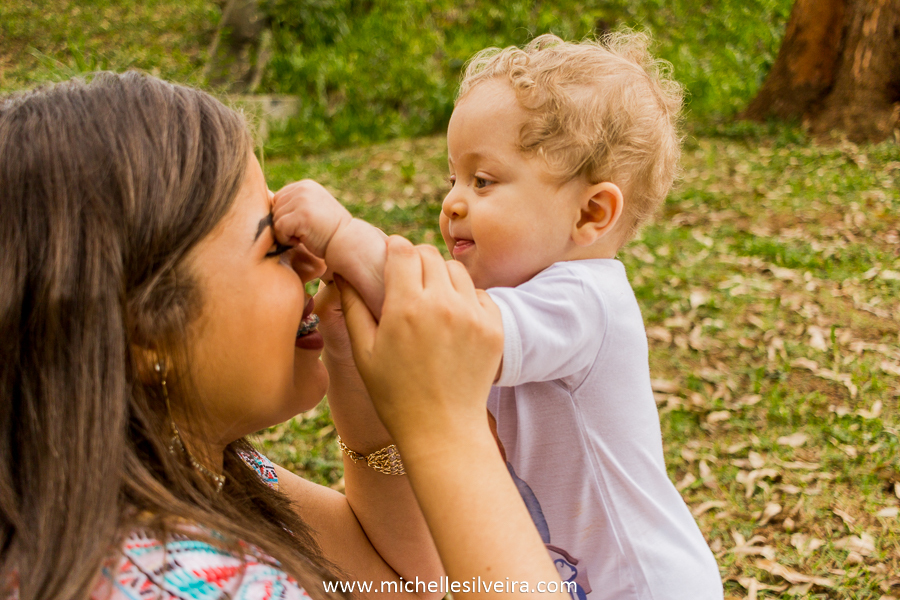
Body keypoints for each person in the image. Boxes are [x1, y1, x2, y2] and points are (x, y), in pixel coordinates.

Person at [0, 72, 569, 600]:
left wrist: (354, 372)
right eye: (272, 244)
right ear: (146, 330)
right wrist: (445, 426)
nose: (312, 261)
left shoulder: (179, 474)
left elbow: (400, 583)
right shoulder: (187, 584)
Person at [272, 33, 724, 599]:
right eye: (453, 179)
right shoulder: (509, 302)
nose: (453, 202)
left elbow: (441, 324)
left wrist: (343, 237)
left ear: (591, 213)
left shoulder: (588, 299)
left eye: (483, 181)